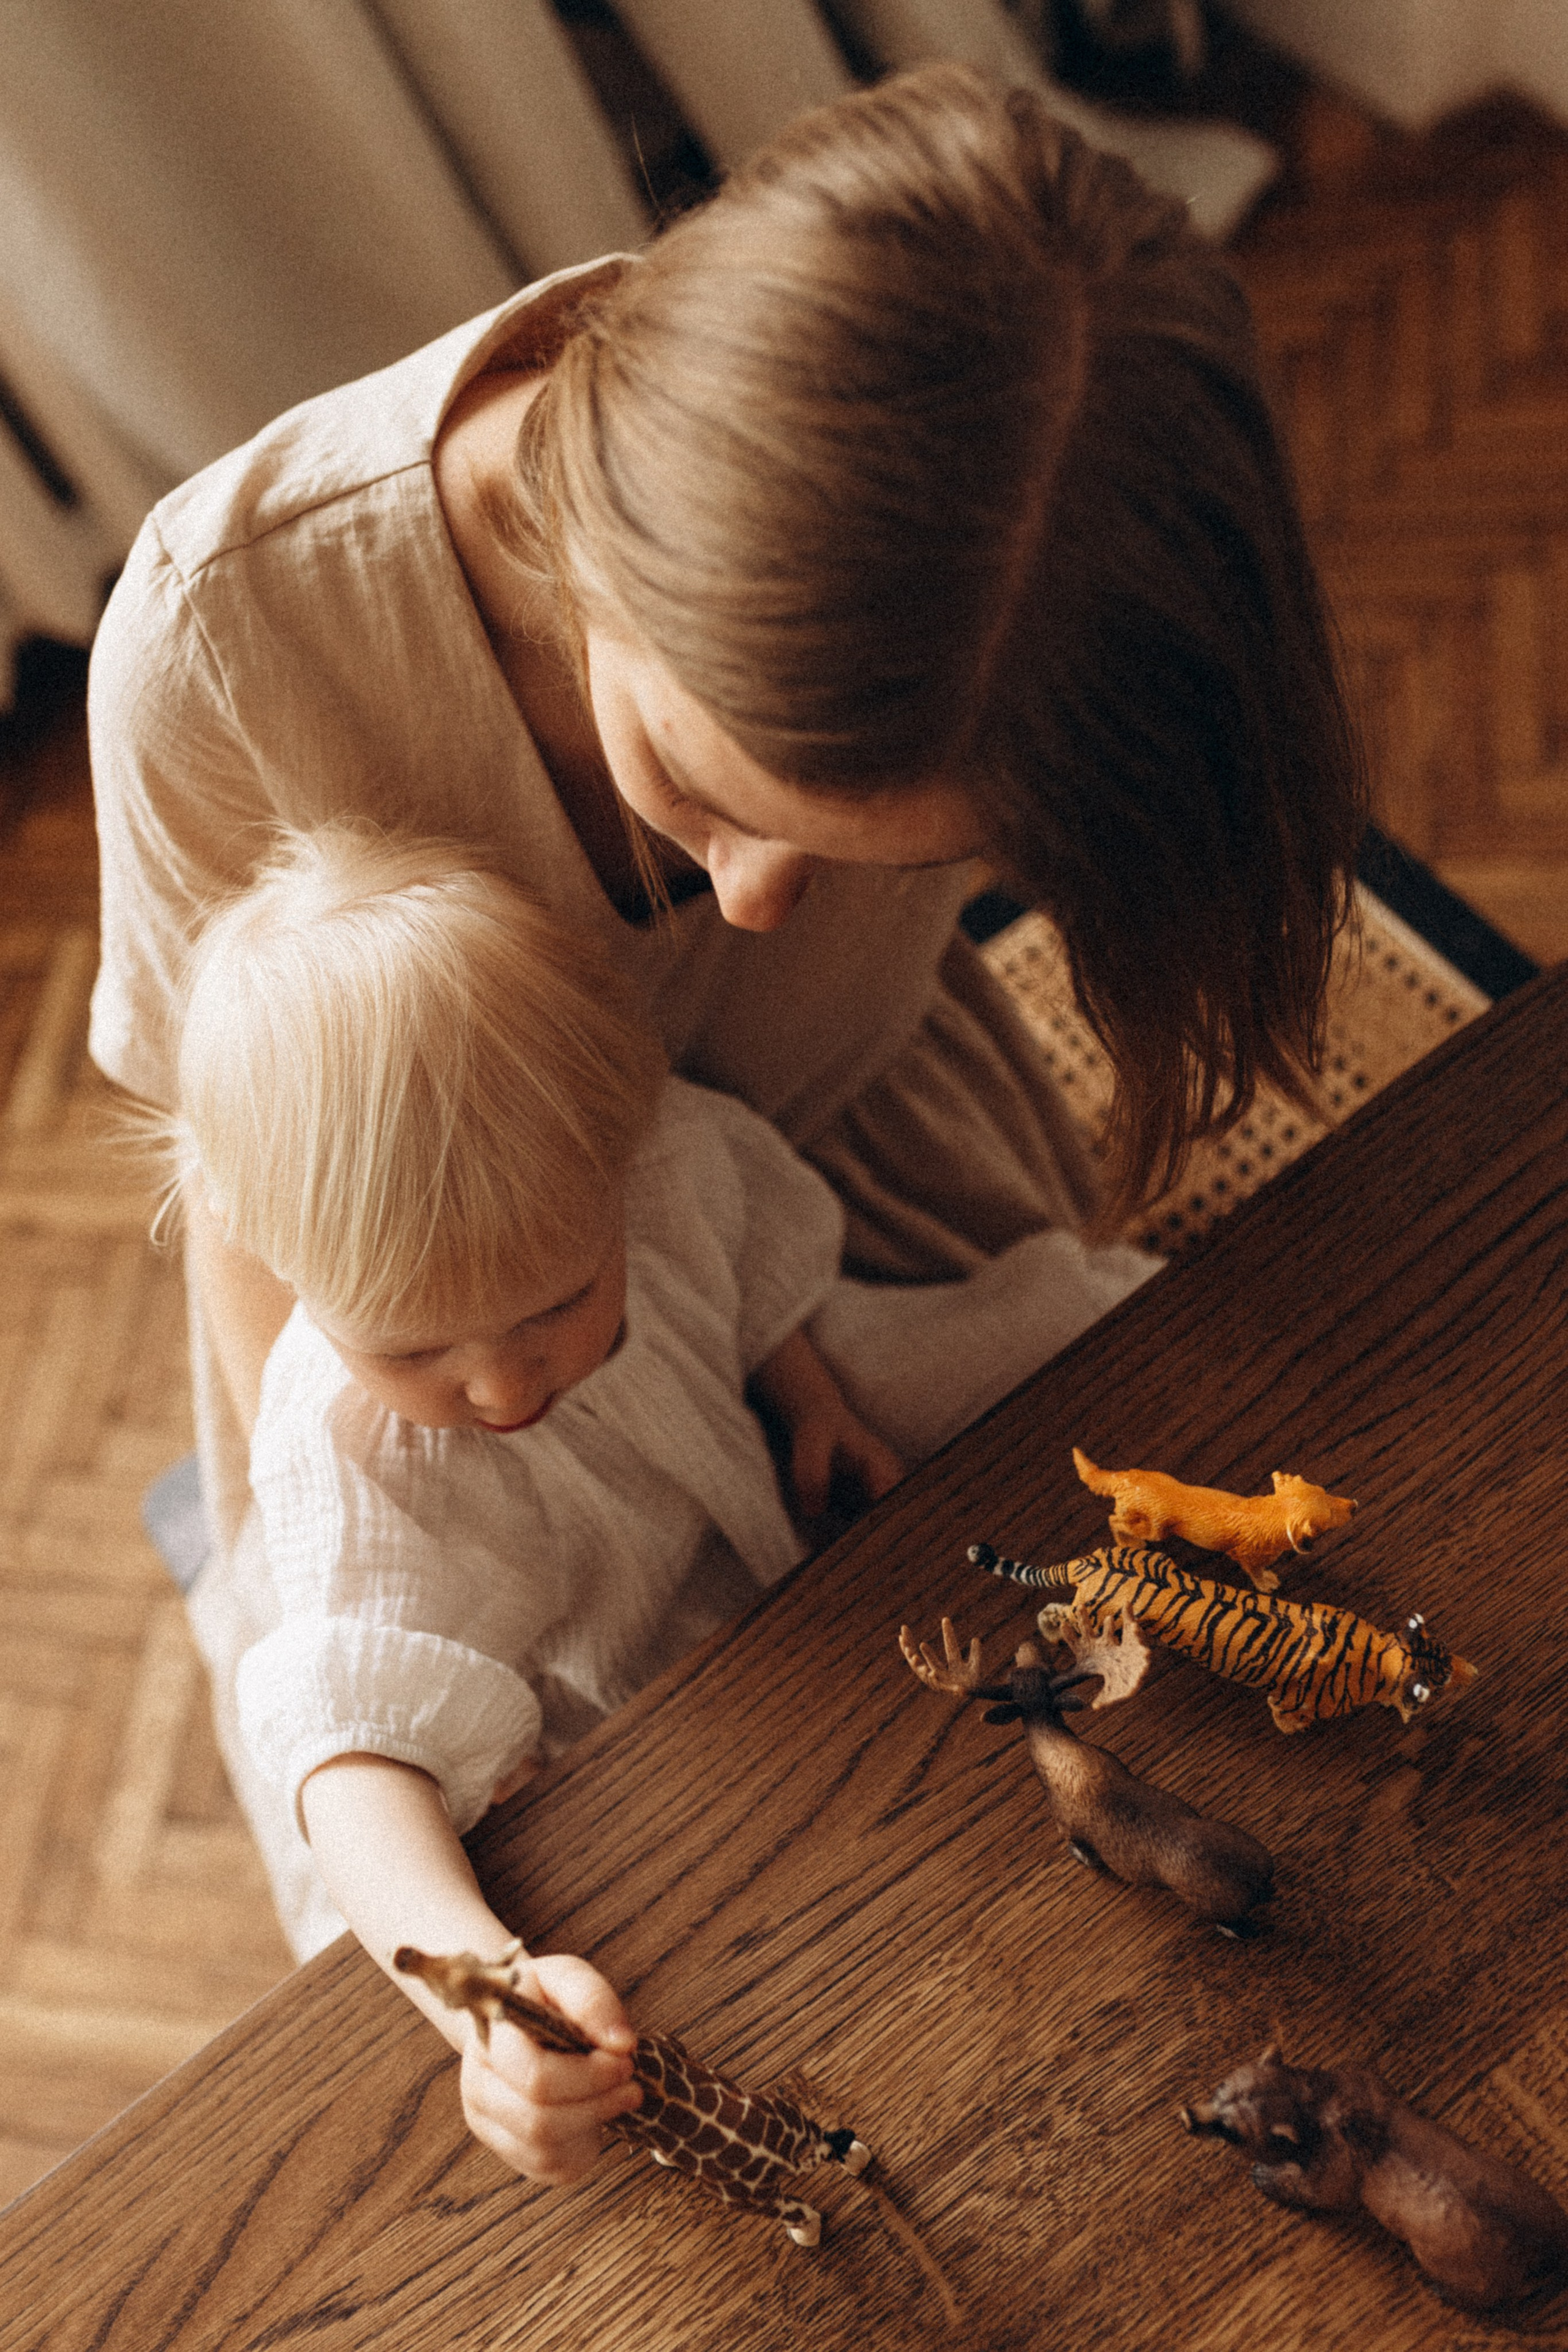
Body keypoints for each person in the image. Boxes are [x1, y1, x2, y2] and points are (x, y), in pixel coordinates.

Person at [86, 61, 1363, 1595]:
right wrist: (320, 1563)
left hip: (848, 1137)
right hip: (436, 1305)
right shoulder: (228, 641)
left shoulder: (1027, 567)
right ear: (598, 555)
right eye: (699, 793)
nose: (751, 905)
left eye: (864, 855)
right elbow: (243, 1189)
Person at [171, 823, 1156, 2184]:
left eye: (560, 1303)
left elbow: (743, 1266)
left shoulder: (668, 1164)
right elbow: (351, 1767)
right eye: (410, 1349)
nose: (502, 1381)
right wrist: (488, 1993)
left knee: (1069, 1337)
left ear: (617, 1154)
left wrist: (800, 1390)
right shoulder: (350, 1459)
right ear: (278, 1260)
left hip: (764, 1579)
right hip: (580, 1723)